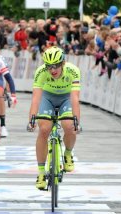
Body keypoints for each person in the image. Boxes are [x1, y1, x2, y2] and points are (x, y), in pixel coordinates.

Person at [27, 46, 81, 190]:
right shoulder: (41, 72)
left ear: (63, 63)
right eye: (49, 66)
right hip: (47, 98)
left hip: (66, 98)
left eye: (56, 65)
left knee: (69, 126)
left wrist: (77, 120)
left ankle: (68, 153)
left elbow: (75, 98)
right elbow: (36, 98)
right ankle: (40, 173)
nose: (53, 70)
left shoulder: (73, 71)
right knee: (44, 129)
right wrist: (31, 118)